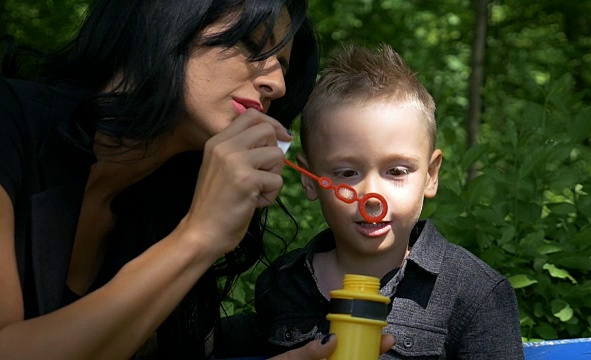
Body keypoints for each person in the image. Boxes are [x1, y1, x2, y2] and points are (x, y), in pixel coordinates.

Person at [0, 0, 384, 358]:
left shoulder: (168, 195)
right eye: (251, 46)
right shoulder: (10, 122)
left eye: (282, 65)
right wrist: (199, 235)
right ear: (166, 20)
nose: (278, 85)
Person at [253, 44, 525, 359]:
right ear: (309, 179)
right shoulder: (283, 283)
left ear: (430, 175)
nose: (372, 197)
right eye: (347, 172)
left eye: (396, 171)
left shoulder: (474, 293)